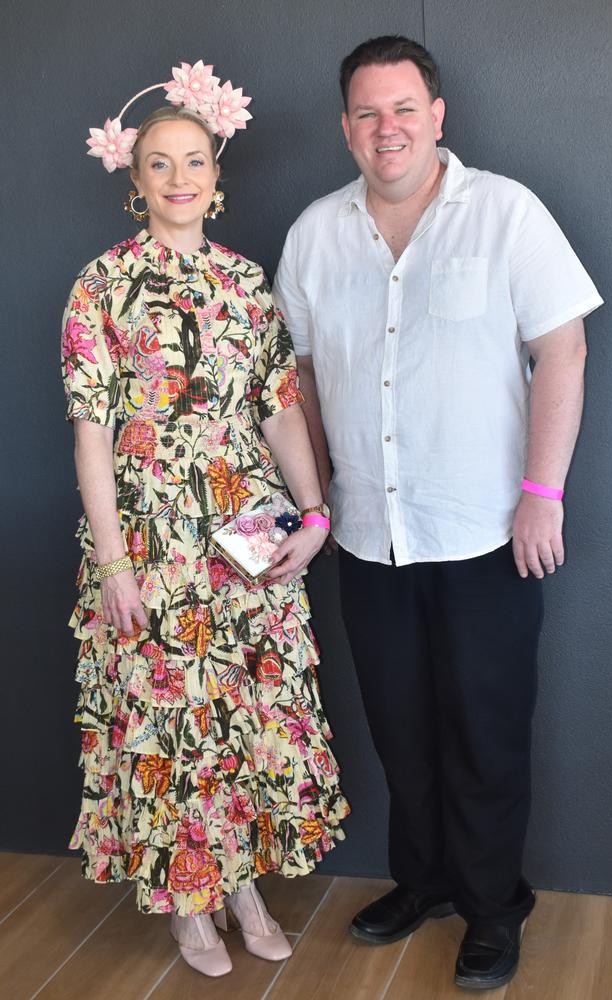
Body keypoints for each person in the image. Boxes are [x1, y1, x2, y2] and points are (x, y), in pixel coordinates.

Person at [274, 35, 602, 991]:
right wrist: (315, 505)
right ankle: (425, 883)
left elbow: (564, 355)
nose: (388, 129)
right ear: (346, 128)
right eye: (369, 113)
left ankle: (496, 908)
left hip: (487, 535)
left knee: (486, 731)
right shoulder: (313, 235)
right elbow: (294, 380)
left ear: (437, 114)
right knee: (400, 728)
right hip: (368, 535)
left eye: (404, 108)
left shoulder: (505, 213)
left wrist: (542, 496)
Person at [61, 60, 348, 979]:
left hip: (244, 528)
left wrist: (312, 511)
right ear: (134, 178)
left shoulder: (244, 281)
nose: (179, 178)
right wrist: (112, 564)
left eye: (195, 161)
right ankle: (190, 903)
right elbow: (93, 437)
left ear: (217, 179)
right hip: (149, 537)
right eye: (158, 162)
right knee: (169, 715)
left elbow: (280, 407)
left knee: (243, 708)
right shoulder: (101, 286)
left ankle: (242, 885)